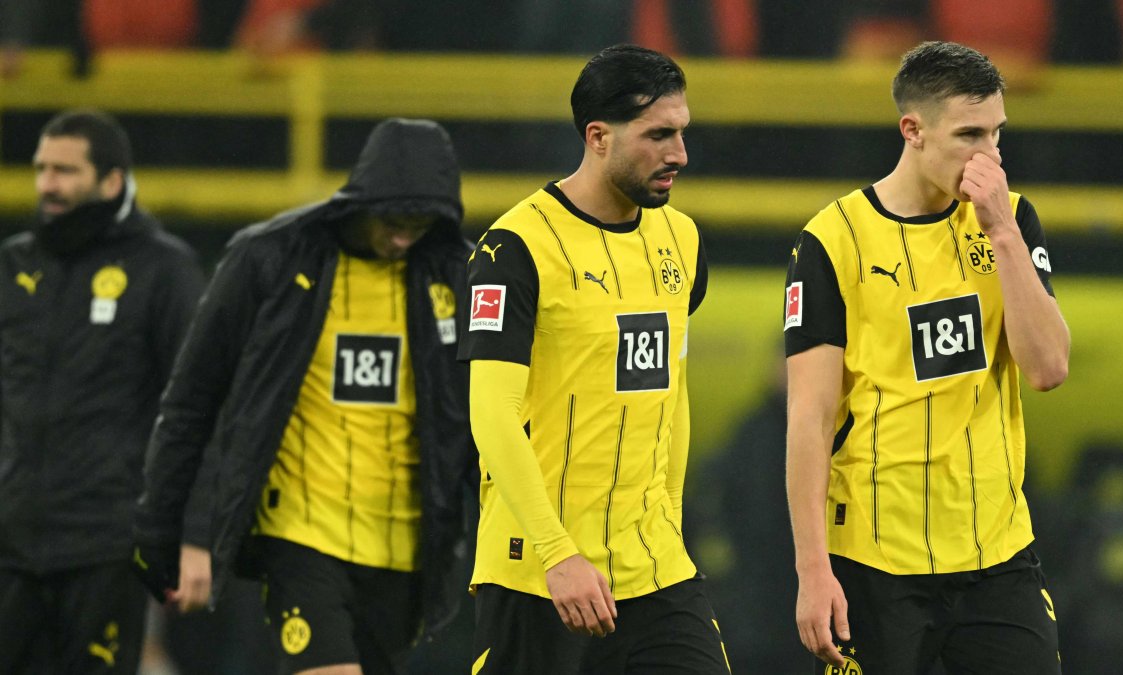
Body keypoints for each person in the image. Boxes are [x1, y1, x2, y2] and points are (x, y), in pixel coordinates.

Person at [131, 117, 478, 675]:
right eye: (391, 220)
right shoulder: (268, 259)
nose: (400, 237)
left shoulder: (454, 277)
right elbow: (192, 402)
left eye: (418, 225)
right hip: (299, 536)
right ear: (362, 199)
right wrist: (174, 532)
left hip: (405, 549)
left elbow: (477, 420)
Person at [783, 41, 1070, 674]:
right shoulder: (833, 241)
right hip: (875, 563)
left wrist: (1002, 233)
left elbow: (1048, 369)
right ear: (912, 131)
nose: (990, 157)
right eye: (970, 135)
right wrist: (812, 569)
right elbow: (810, 415)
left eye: (998, 134)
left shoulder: (1012, 221)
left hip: (997, 557)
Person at [459, 44, 730, 674]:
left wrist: (669, 519)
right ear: (599, 136)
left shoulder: (681, 241)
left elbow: (671, 393)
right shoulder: (515, 248)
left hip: (655, 568)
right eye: (658, 135)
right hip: (540, 572)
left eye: (682, 133)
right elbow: (491, 415)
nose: (679, 155)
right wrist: (558, 555)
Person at [0, 109, 208, 674]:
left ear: (111, 181)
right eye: (42, 168)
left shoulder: (164, 271)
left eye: (65, 171)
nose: (47, 184)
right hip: (12, 542)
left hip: (107, 545)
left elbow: (198, 410)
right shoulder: (14, 265)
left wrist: (194, 536)